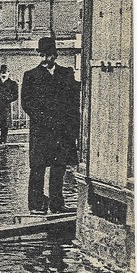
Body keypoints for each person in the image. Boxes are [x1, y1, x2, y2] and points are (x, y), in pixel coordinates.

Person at [21, 36, 81, 213]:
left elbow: (73, 101)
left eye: (48, 56)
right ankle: (36, 204)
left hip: (62, 131)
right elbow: (26, 103)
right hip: (42, 130)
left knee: (59, 168)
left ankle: (57, 203)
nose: (44, 59)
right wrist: (44, 118)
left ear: (55, 55)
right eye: (41, 55)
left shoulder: (66, 73)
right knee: (38, 168)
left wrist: (72, 127)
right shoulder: (30, 76)